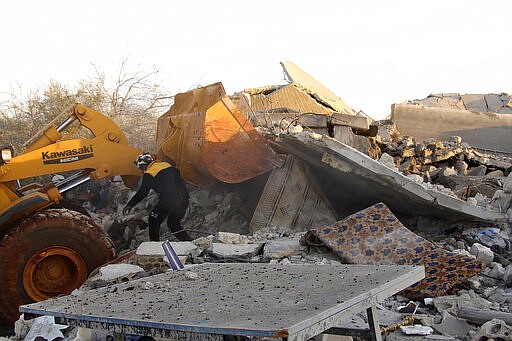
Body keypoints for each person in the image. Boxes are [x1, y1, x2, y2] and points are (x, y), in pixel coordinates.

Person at [123, 152, 191, 241]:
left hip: (168, 201)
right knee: (173, 224)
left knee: (153, 220)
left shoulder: (150, 173)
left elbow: (143, 191)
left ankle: (154, 245)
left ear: (143, 165)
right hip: (184, 199)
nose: (142, 171)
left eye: (141, 168)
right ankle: (189, 243)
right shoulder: (167, 165)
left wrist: (130, 204)